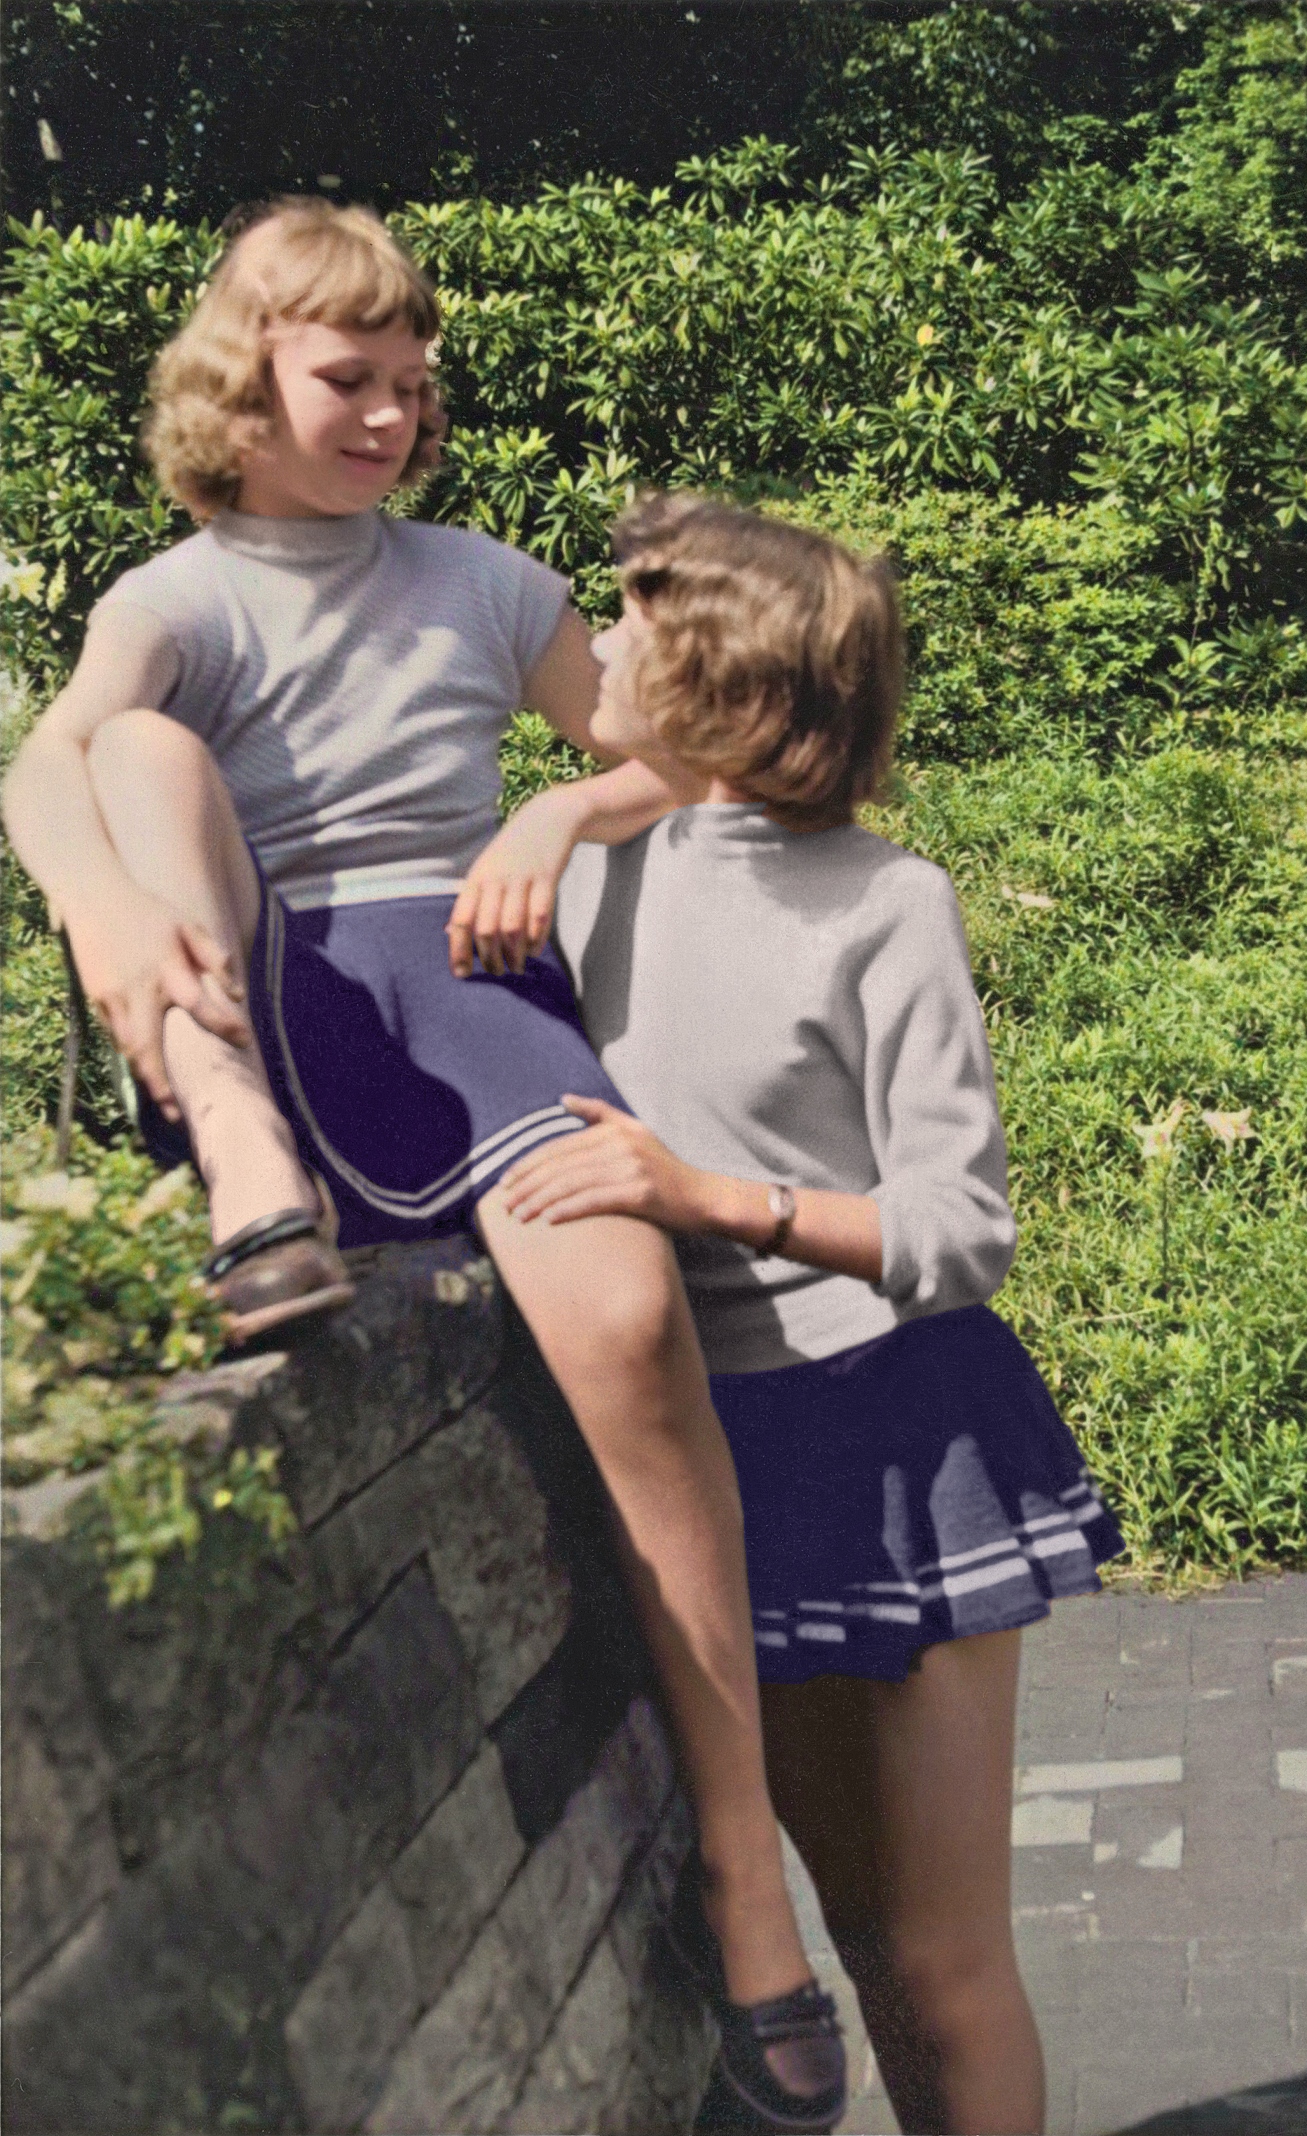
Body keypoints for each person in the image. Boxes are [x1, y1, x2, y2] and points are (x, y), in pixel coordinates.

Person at [1, 201, 845, 2131]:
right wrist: (105, 917)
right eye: (346, 379)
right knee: (136, 761)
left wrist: (567, 798)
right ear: (247, 384)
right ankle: (245, 1177)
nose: (388, 413)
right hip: (262, 1004)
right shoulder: (181, 595)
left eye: (411, 382)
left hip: (465, 994)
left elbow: (707, 756)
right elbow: (50, 759)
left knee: (629, 1318)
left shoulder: (476, 578)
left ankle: (742, 1875)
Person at [500, 493, 1127, 2136]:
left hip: (892, 1433)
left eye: (635, 617)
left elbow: (960, 1226)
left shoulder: (880, 901)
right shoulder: (571, 878)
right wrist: (560, 814)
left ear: (729, 674)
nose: (602, 640)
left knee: (937, 1960)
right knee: (840, 1941)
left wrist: (712, 1196)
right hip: (707, 1457)